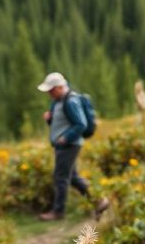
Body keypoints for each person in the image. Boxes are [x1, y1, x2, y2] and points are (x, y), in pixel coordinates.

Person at [37, 72, 110, 221]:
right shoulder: (59, 101)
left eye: (51, 90)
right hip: (64, 145)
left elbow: (81, 124)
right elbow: (62, 124)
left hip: (69, 145)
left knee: (60, 177)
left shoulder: (71, 101)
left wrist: (66, 138)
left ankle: (58, 212)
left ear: (59, 87)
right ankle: (99, 201)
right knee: (73, 178)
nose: (49, 94)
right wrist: (50, 120)